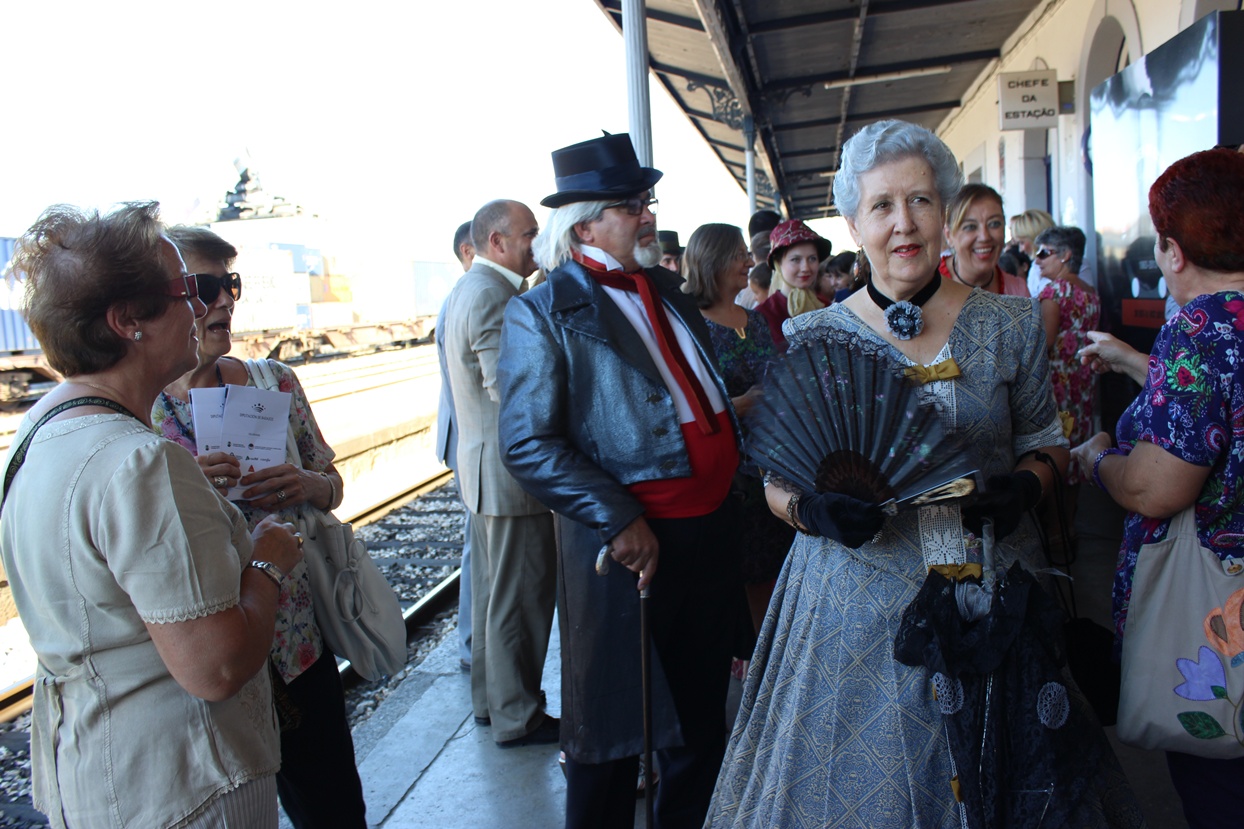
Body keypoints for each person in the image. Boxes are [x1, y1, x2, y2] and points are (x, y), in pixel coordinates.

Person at [706, 120, 1143, 828]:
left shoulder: (1011, 324)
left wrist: (1028, 484)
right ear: (853, 222)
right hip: (853, 604)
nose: (903, 224)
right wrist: (811, 513)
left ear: (944, 211)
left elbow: (1044, 439)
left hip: (991, 587)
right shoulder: (816, 336)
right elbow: (776, 480)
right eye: (882, 206)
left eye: (919, 202)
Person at [1, 202, 302, 828]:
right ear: (126, 321)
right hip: (187, 784)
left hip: (93, 769)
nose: (200, 307)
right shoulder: (140, 462)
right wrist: (267, 562)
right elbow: (215, 667)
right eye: (183, 292)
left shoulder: (40, 431)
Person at [497, 133, 742, 829]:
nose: (647, 215)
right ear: (583, 225)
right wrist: (617, 515)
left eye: (646, 200)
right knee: (610, 735)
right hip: (632, 551)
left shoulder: (665, 288)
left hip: (709, 529)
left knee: (700, 720)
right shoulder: (542, 311)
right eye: (630, 205)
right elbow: (528, 442)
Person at [152, 225, 366, 828]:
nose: (224, 300)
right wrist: (185, 485)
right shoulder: (139, 414)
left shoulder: (276, 381)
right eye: (206, 286)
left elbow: (333, 482)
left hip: (296, 637)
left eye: (232, 284)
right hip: (207, 648)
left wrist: (309, 486)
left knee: (331, 802)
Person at [1071, 147, 1244, 829]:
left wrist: (1099, 459)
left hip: (1219, 617)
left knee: (1222, 792)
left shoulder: (1201, 330)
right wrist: (1135, 361)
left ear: (1172, 249)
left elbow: (1156, 487)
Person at [442, 199, 558, 747]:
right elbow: (507, 389)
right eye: (528, 234)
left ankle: (494, 704)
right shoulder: (494, 295)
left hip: (484, 472)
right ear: (496, 242)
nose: (535, 244)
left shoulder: (469, 289)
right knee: (520, 600)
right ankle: (520, 715)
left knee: (494, 596)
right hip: (511, 477)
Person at [680, 223, 793, 633]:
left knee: (771, 561)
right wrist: (736, 407)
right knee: (739, 565)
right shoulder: (689, 325)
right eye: (738, 255)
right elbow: (678, 400)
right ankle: (744, 646)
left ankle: (765, 645)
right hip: (727, 471)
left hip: (771, 460)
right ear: (712, 262)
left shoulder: (755, 319)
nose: (749, 262)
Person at [437, 219, 477, 671]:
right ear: (469, 250)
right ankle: (470, 649)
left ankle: (473, 647)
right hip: (469, 440)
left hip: (465, 439)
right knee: (477, 552)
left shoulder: (461, 296)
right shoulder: (465, 298)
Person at [1034, 225, 1099, 448]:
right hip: (1084, 380)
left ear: (1066, 255)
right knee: (1078, 440)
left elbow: (1045, 343)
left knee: (1056, 446)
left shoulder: (1054, 292)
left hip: (1057, 384)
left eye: (1043, 253)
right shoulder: (1091, 292)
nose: (1037, 260)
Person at [754, 219, 832, 352]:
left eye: (812, 258)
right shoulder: (762, 317)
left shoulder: (828, 307)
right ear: (778, 264)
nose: (806, 268)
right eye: (795, 260)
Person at [939, 183, 1029, 296]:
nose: (984, 237)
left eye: (994, 224)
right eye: (970, 227)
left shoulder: (1018, 292)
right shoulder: (925, 289)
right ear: (948, 235)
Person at [1011, 208, 1057, 296]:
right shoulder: (1035, 267)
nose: (1021, 250)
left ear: (1035, 238)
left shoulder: (1065, 267)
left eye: (1022, 242)